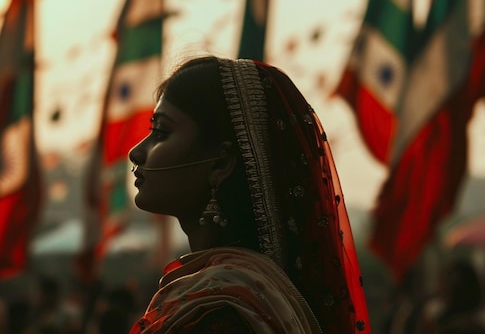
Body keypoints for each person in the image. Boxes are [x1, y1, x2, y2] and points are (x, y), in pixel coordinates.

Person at [128, 56, 370, 334]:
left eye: (160, 132)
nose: (136, 152)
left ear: (220, 163)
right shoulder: (248, 296)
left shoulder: (219, 315)